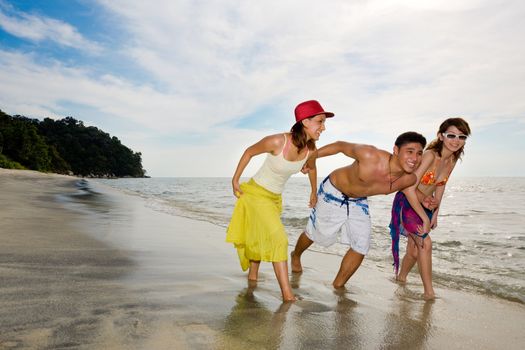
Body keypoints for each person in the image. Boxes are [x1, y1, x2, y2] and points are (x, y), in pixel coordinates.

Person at [226, 100, 334, 302]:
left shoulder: (311, 149)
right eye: (320, 121)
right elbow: (249, 151)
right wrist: (235, 179)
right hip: (256, 195)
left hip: (275, 199)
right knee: (279, 239)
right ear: (305, 122)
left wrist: (313, 191)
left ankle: (253, 276)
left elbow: (311, 167)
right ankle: (287, 295)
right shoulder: (278, 141)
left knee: (258, 236)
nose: (324, 127)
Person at [291, 132, 427, 290]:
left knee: (361, 245)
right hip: (333, 191)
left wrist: (425, 216)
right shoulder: (370, 155)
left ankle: (338, 286)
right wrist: (311, 158)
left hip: (359, 201)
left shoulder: (409, 179)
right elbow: (340, 145)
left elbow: (410, 193)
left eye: (419, 153)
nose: (415, 158)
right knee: (317, 233)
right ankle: (296, 255)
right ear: (396, 150)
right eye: (409, 152)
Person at [390, 118, 471, 299]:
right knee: (425, 243)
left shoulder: (452, 158)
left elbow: (441, 185)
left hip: (426, 206)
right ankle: (429, 293)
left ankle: (401, 278)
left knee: (413, 249)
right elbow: (408, 186)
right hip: (408, 202)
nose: (456, 140)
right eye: (451, 135)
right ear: (441, 136)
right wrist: (425, 216)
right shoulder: (430, 156)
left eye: (462, 136)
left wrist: (435, 213)